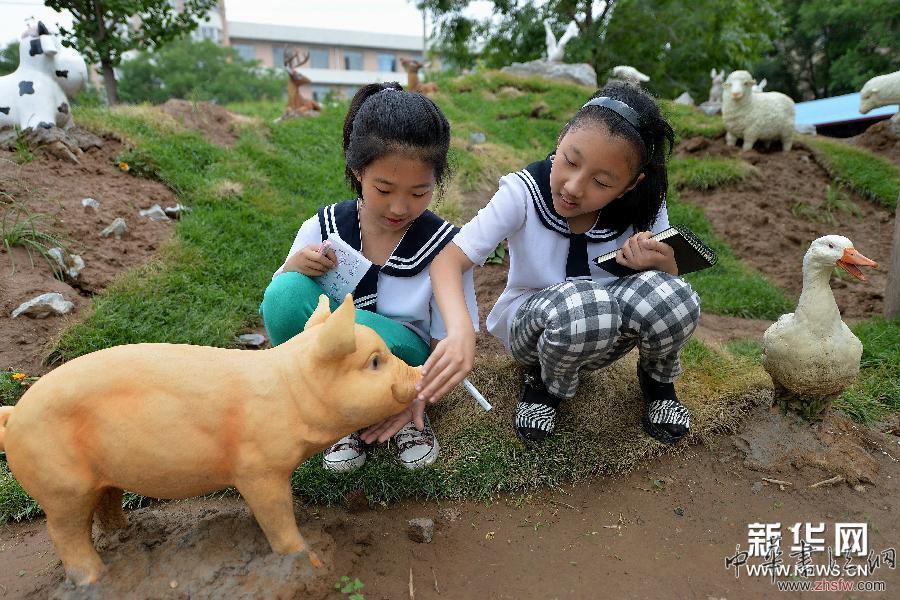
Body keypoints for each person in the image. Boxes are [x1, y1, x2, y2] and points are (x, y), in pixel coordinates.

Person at [385, 81, 701, 447]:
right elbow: (447, 261)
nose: (574, 187)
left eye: (601, 182)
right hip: (537, 330)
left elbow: (665, 290)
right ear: (561, 137)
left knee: (675, 297)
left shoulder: (646, 204)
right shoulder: (522, 193)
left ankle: (658, 380)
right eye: (569, 161)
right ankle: (543, 385)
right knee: (586, 303)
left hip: (605, 329)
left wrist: (662, 266)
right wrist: (459, 333)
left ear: (631, 184)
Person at [260, 82, 479, 471]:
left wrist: (420, 394)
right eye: (384, 189)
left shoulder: (445, 246)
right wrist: (295, 268)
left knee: (348, 328)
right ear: (358, 171)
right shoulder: (325, 227)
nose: (399, 206)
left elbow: (446, 340)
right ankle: (337, 409)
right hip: (335, 357)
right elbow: (280, 303)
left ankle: (404, 414)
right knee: (285, 293)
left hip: (406, 360)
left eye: (419, 192)